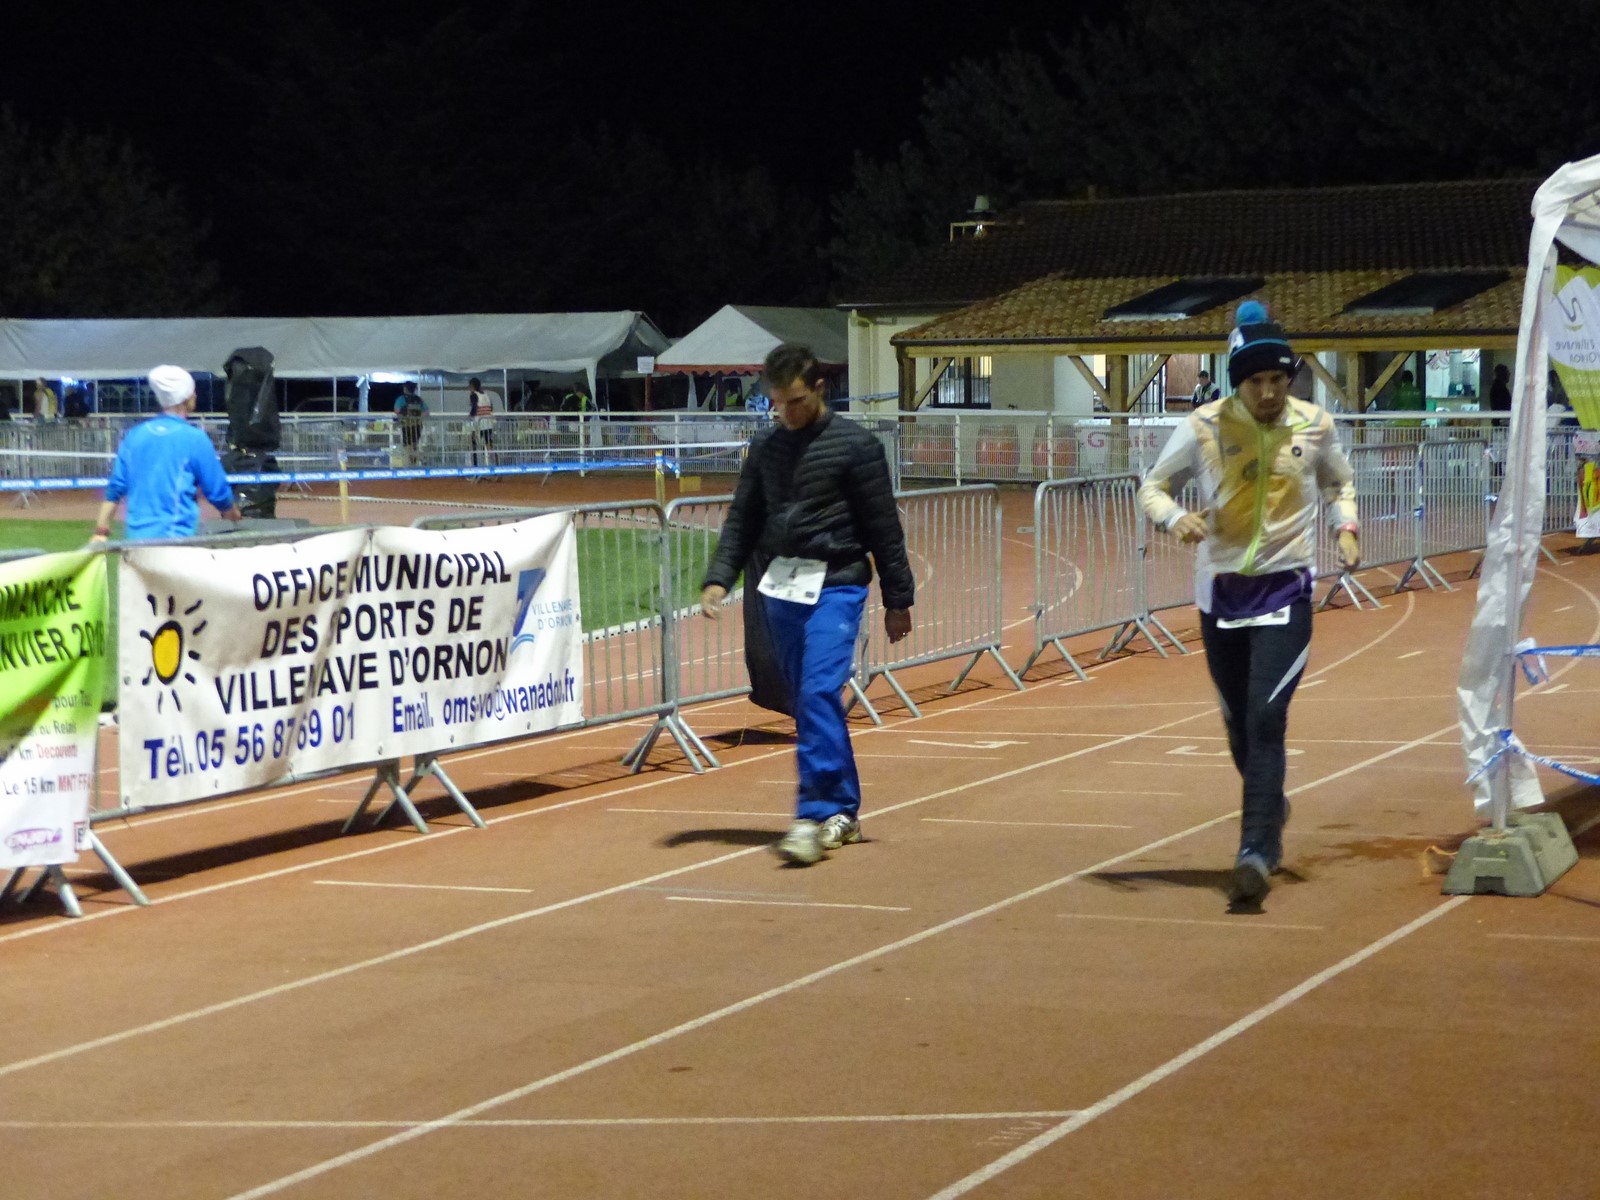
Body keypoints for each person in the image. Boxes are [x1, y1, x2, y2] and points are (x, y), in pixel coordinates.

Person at [1137, 301, 1359, 906]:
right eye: (1255, 381)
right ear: (1238, 381)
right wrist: (1175, 518)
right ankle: (1270, 803)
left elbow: (1339, 481)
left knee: (1266, 716)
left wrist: (1345, 527)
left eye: (1277, 380)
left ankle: (1255, 851)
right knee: (1239, 723)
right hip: (1221, 594)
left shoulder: (1315, 425)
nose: (1267, 393)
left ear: (1290, 378)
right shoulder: (1203, 427)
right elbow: (1153, 488)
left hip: (1286, 589)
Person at [699, 343, 915, 866]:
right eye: (777, 403)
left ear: (819, 389)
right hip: (782, 590)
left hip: (838, 584)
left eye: (795, 401)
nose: (786, 413)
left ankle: (811, 814)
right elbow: (743, 517)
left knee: (818, 690)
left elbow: (883, 527)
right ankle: (843, 810)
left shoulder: (857, 447)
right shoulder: (766, 448)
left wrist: (898, 599)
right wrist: (719, 579)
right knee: (810, 703)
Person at [90, 365, 242, 542]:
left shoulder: (135, 435)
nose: (195, 395)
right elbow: (217, 491)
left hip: (135, 541)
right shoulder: (195, 438)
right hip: (175, 540)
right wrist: (232, 513)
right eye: (193, 391)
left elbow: (116, 486)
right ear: (185, 397)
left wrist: (101, 529)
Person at [394, 381, 428, 465]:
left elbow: (397, 411)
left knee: (407, 447)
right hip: (418, 426)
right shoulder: (419, 400)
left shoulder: (402, 399)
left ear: (405, 389)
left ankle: (420, 457)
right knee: (414, 446)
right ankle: (413, 464)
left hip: (406, 426)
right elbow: (426, 412)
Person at [468, 376, 495, 469]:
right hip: (488, 422)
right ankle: (495, 465)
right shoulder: (486, 395)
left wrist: (470, 415)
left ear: (472, 386)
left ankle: (475, 467)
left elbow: (474, 408)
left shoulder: (474, 395)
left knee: (475, 445)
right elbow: (491, 407)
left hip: (478, 423)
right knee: (489, 445)